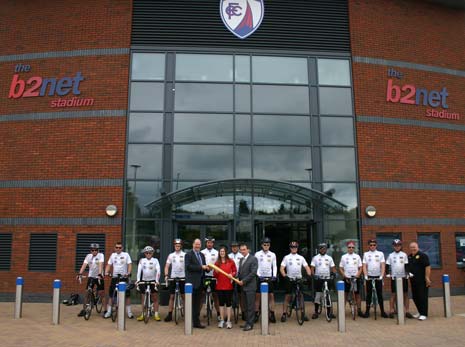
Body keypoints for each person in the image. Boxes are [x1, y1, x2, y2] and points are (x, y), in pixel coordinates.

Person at [280, 241, 312, 322]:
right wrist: (285, 275)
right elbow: (281, 268)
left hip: (299, 278)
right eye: (292, 247)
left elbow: (307, 267)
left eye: (295, 247)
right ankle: (284, 313)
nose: (294, 248)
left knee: (301, 295)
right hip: (290, 278)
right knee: (288, 295)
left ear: (297, 248)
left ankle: (302, 313)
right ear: (290, 248)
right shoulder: (286, 257)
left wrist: (309, 274)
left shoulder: (301, 257)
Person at [104, 242, 134, 319]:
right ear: (114, 248)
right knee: (111, 295)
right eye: (116, 247)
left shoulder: (126, 255)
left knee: (127, 296)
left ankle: (129, 312)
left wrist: (128, 273)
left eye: (119, 247)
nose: (118, 249)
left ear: (122, 248)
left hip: (124, 277)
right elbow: (108, 265)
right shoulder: (113, 255)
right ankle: (109, 312)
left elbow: (129, 264)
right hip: (114, 277)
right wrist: (106, 272)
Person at [185, 238, 209, 328]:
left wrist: (207, 268)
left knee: (197, 303)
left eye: (199, 244)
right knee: (191, 303)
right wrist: (201, 267)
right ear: (193, 245)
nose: (197, 246)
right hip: (191, 282)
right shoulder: (188, 254)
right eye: (196, 244)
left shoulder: (202, 255)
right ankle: (190, 321)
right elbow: (188, 267)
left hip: (200, 282)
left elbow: (203, 267)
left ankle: (196, 322)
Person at [76, 243, 105, 317]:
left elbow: (101, 265)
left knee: (102, 293)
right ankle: (84, 309)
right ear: (90, 250)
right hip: (91, 276)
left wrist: (100, 274)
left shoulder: (101, 255)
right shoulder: (88, 256)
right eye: (92, 250)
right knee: (87, 293)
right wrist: (80, 273)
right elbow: (84, 265)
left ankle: (105, 310)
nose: (94, 251)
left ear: (98, 250)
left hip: (99, 276)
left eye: (96, 250)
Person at [362, 239, 388, 318]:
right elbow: (364, 265)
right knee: (369, 294)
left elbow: (383, 265)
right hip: (369, 276)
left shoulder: (380, 253)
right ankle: (367, 311)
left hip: (378, 277)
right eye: (371, 245)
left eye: (374, 245)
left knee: (380, 294)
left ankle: (382, 311)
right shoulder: (366, 254)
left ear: (376, 245)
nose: (372, 246)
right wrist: (365, 275)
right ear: (368, 246)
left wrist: (381, 275)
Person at [254, 237, 277, 323]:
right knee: (257, 296)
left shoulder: (272, 254)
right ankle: (256, 313)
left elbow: (274, 266)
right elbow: (255, 266)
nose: (266, 246)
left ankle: (272, 313)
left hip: (269, 277)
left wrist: (274, 275)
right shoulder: (257, 254)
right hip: (260, 277)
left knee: (271, 296)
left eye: (268, 245)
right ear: (262, 245)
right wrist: (258, 275)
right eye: (264, 244)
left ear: (269, 245)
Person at [311, 243, 337, 319]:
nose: (323, 250)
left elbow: (333, 268)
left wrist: (335, 273)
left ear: (326, 250)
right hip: (318, 278)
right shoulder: (315, 258)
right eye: (321, 248)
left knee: (328, 294)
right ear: (319, 249)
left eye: (324, 249)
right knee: (318, 295)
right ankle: (316, 312)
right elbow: (312, 268)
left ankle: (329, 312)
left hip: (327, 278)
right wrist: (313, 275)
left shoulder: (329, 258)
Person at [213, 245, 237, 329]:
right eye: (220, 252)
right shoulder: (217, 263)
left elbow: (234, 271)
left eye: (223, 251)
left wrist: (232, 274)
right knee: (221, 304)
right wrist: (215, 272)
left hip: (228, 286)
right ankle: (222, 320)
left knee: (228, 304)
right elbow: (215, 275)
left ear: (226, 252)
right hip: (219, 286)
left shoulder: (231, 261)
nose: (222, 253)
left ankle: (229, 321)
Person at [135, 246, 161, 321]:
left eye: (150, 252)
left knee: (155, 298)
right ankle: (143, 314)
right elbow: (139, 271)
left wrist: (157, 280)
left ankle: (156, 314)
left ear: (152, 253)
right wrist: (138, 280)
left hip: (153, 280)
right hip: (144, 280)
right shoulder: (142, 260)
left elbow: (158, 270)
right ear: (144, 253)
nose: (148, 254)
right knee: (143, 298)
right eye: (147, 253)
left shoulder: (155, 260)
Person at [386, 239, 410, 318]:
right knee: (393, 294)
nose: (397, 247)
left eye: (398, 245)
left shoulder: (404, 255)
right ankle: (392, 310)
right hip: (394, 277)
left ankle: (407, 311)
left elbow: (406, 266)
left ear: (401, 246)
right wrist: (387, 274)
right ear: (393, 246)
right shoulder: (390, 255)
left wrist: (407, 273)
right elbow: (387, 265)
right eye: (395, 245)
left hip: (403, 277)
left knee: (405, 294)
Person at [163, 238, 186, 322]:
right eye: (176, 245)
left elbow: (187, 267)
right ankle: (169, 314)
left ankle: (187, 313)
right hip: (173, 277)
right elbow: (167, 266)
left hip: (182, 277)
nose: (177, 247)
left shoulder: (184, 255)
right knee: (172, 296)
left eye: (179, 245)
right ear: (174, 246)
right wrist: (166, 275)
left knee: (184, 297)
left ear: (181, 246)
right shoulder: (171, 255)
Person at [339, 241, 363, 317]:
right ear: (347, 248)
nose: (351, 249)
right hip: (347, 278)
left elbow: (360, 267)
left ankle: (359, 310)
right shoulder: (344, 256)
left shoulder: (357, 256)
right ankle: (342, 311)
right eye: (349, 247)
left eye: (352, 247)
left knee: (357, 294)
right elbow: (340, 268)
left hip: (355, 278)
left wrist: (358, 275)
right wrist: (344, 275)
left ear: (354, 248)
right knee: (345, 294)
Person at [237, 243, 258, 331]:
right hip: (243, 287)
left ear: (248, 250)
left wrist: (243, 281)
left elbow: (253, 273)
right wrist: (236, 277)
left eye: (244, 249)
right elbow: (240, 273)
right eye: (241, 250)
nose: (242, 251)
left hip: (250, 287)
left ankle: (250, 324)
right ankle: (247, 322)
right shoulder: (241, 259)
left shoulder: (253, 259)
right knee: (245, 306)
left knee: (250, 307)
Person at [408, 241, 431, 321]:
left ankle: (424, 314)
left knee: (422, 297)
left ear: (417, 247)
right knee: (415, 297)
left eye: (414, 247)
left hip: (422, 280)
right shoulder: (410, 256)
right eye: (411, 247)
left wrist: (427, 277)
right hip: (413, 281)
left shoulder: (422, 255)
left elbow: (427, 267)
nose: (413, 249)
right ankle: (420, 311)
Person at [201, 236, 220, 320]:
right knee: (202, 295)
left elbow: (219, 264)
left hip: (214, 276)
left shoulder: (217, 252)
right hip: (204, 276)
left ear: (213, 243)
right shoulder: (202, 252)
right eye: (208, 242)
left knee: (216, 296)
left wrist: (213, 268)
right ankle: (198, 314)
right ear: (206, 243)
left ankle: (219, 314)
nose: (209, 244)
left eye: (211, 242)